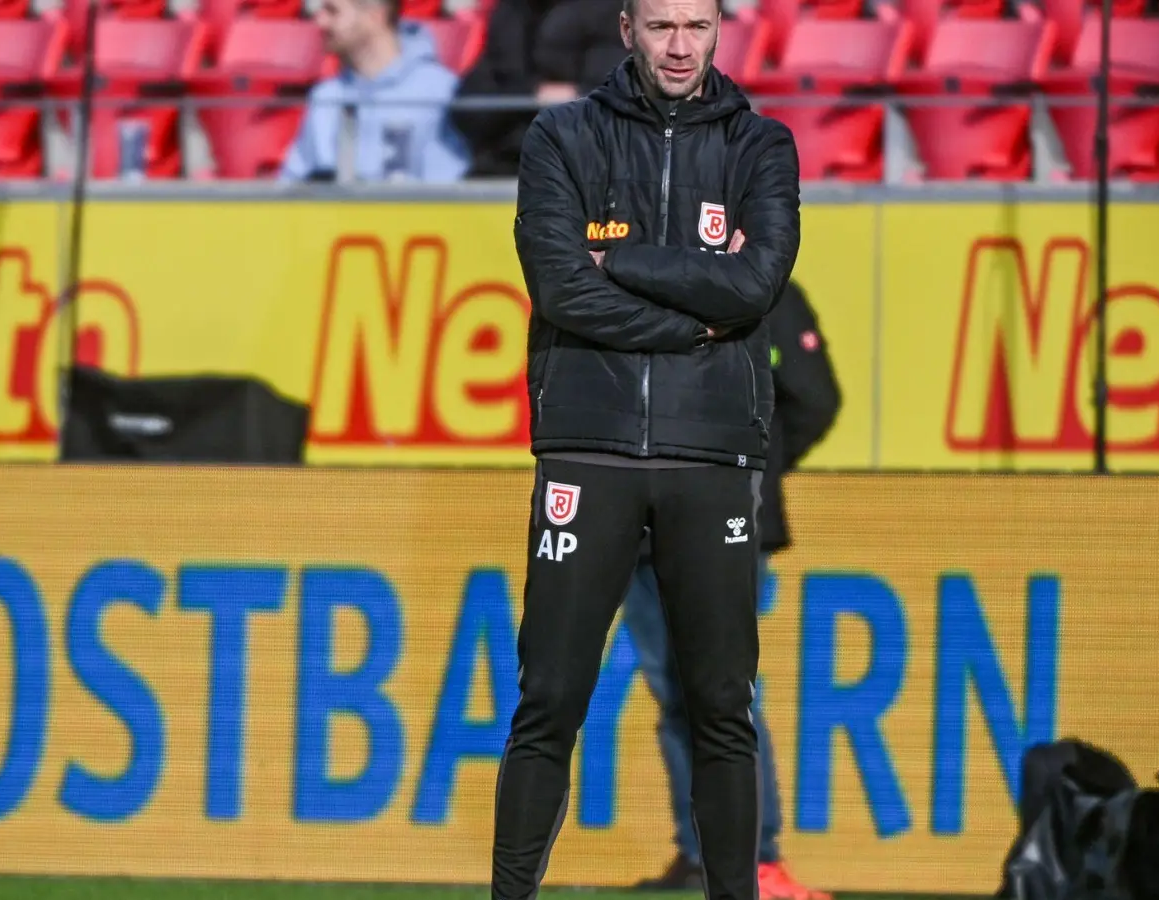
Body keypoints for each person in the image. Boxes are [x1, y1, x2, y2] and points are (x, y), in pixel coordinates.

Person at [491, 0, 801, 895]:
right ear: (626, 28)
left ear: (716, 32)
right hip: (589, 450)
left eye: (695, 27)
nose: (678, 45)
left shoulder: (761, 147)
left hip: (710, 457)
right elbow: (558, 287)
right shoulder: (561, 137)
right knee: (549, 700)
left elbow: (754, 285)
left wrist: (618, 258)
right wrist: (697, 321)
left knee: (722, 709)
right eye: (661, 25)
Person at [625, 280, 840, 900]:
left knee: (718, 691)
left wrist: (746, 466)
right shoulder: (636, 279)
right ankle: (700, 853)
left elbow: (813, 397)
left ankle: (751, 856)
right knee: (677, 692)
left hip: (716, 518)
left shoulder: (757, 288)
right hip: (637, 519)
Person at [279, 0, 469, 182]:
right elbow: (289, 191)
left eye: (333, 10)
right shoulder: (325, 97)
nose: (320, 21)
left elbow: (449, 194)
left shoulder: (440, 93)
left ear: (375, 16)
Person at [449, 0, 626, 177]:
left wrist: (568, 97)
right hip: (503, 166)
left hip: (586, 173)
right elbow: (469, 109)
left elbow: (613, 101)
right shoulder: (510, 13)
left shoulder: (610, 14)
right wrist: (534, 94)